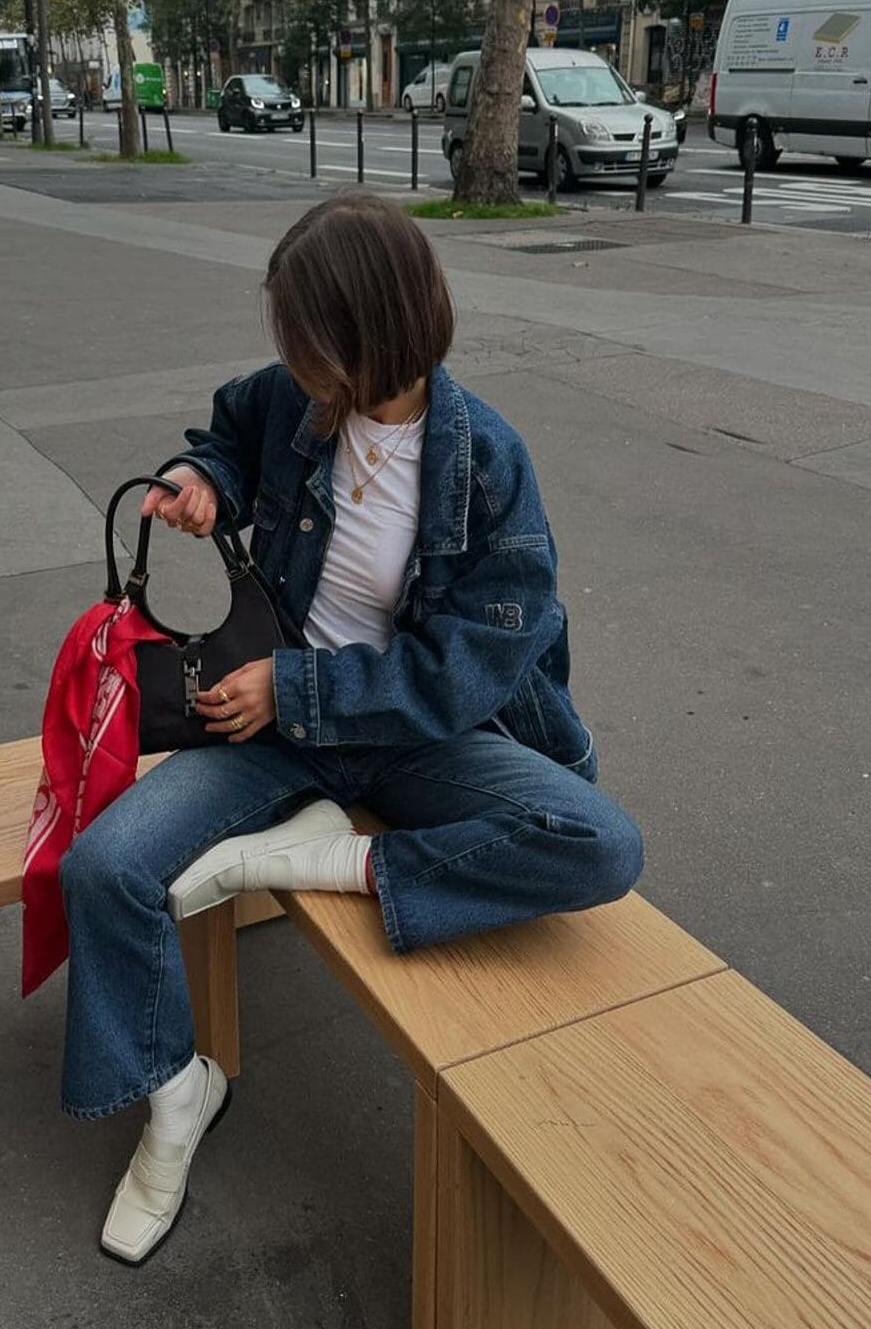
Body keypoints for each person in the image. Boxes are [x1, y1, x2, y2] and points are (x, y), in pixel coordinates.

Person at [60, 194, 644, 1267]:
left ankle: (324, 856)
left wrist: (302, 694)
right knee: (103, 869)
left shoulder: (485, 466)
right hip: (273, 723)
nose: (288, 359)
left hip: (409, 733)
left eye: (306, 338)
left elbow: (479, 662)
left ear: (373, 331)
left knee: (601, 844)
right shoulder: (293, 402)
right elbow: (227, 436)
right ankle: (178, 1092)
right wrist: (202, 483)